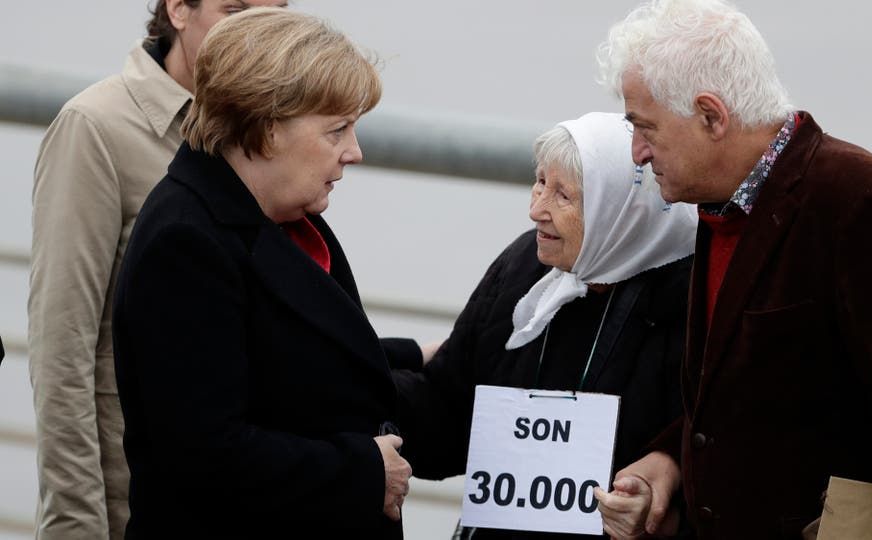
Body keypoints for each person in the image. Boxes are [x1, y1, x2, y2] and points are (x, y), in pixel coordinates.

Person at [591, 1, 872, 539]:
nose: (637, 152)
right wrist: (668, 461)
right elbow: (754, 395)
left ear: (712, 116)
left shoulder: (864, 206)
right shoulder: (721, 204)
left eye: (645, 128)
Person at [111, 8, 413, 538]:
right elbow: (205, 452)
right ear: (269, 127)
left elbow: (289, 358)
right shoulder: (185, 243)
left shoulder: (278, 217)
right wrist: (365, 470)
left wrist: (416, 355)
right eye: (337, 129)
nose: (354, 152)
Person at [29, 1, 287, 537]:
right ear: (178, 9)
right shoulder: (97, 127)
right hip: (132, 503)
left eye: (275, 14)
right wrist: (75, 524)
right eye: (235, 10)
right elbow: (62, 346)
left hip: (244, 496)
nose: (256, 34)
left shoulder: (272, 136)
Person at [393, 112, 699, 539]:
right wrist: (356, 392)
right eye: (539, 182)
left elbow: (710, 454)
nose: (536, 209)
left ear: (620, 210)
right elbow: (450, 408)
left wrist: (657, 501)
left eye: (563, 196)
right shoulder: (526, 267)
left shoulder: (688, 299)